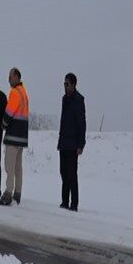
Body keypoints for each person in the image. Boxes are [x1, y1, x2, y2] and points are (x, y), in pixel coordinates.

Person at [0, 68, 29, 206]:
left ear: (16, 77)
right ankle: (17, 193)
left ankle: (8, 193)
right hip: (21, 136)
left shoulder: (15, 92)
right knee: (17, 167)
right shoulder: (24, 93)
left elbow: (9, 112)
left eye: (10, 77)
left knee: (9, 166)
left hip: (13, 135)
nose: (8, 79)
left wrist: (3, 124)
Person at [58, 72, 86, 211]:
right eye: (64, 83)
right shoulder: (64, 99)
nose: (65, 86)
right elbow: (63, 122)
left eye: (67, 84)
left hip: (73, 144)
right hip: (63, 143)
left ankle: (74, 204)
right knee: (63, 173)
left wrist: (81, 144)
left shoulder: (79, 100)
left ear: (73, 85)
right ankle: (64, 201)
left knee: (72, 174)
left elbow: (82, 124)